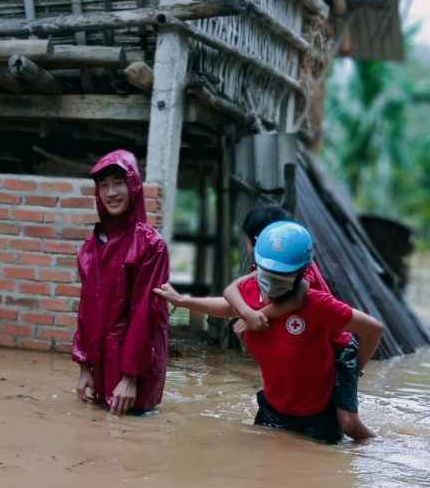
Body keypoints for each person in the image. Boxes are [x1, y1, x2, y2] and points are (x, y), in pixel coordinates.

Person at [156, 221, 384, 444]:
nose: (271, 280)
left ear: (303, 272)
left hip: (318, 421)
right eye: (267, 271)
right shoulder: (249, 291)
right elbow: (224, 306)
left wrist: (355, 371)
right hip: (272, 412)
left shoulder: (317, 304)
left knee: (344, 433)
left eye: (281, 274)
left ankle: (379, 445)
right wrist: (182, 301)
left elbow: (373, 329)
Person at [228, 205, 376, 441]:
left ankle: (376, 445)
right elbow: (231, 291)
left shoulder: (296, 269)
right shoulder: (273, 269)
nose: (248, 248)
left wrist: (255, 316)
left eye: (248, 241)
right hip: (317, 342)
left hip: (340, 348)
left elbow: (297, 300)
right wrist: (246, 312)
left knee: (348, 422)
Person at [72, 149, 170, 416]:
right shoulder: (91, 246)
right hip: (101, 363)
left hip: (136, 368)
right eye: (103, 185)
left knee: (134, 438)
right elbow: (87, 310)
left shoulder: (151, 246)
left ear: (134, 186)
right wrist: (84, 366)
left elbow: (145, 313)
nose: (111, 192)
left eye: (118, 183)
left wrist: (130, 378)